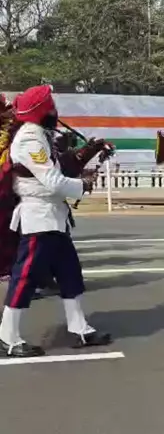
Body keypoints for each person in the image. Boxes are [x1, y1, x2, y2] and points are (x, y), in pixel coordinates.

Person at [0, 85, 111, 358]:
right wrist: (82, 186)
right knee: (24, 278)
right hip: (39, 219)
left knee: (70, 274)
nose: (55, 111)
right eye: (50, 107)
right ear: (40, 111)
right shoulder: (29, 139)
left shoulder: (40, 135)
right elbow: (51, 180)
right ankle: (8, 336)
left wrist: (88, 156)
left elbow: (60, 167)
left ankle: (79, 328)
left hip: (53, 218)